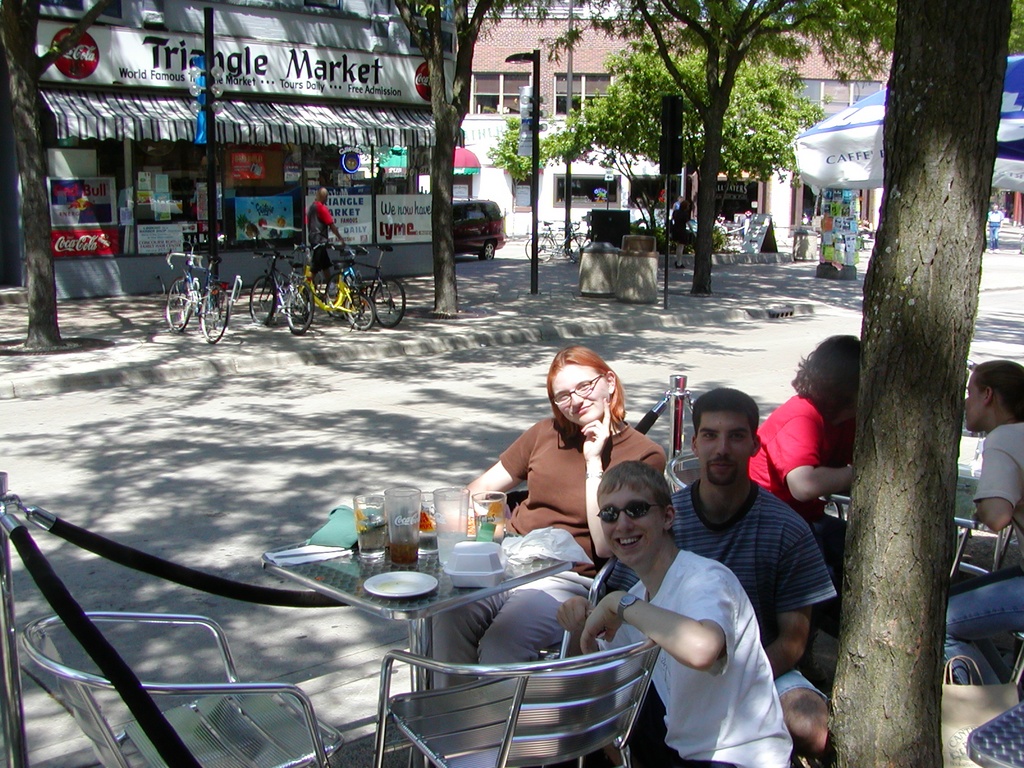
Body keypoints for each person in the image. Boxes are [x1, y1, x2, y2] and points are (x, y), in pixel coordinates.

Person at [606, 388, 836, 758]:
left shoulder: (787, 529)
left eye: (736, 436)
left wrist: (734, 686)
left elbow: (793, 642)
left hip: (758, 668)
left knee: (812, 727)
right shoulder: (658, 517)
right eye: (711, 435)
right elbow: (622, 605)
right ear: (694, 444)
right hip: (671, 665)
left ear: (755, 445)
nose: (722, 448)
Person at [432, 346, 666, 668]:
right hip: (508, 560)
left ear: (609, 382)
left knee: (504, 639)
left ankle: (499, 703)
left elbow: (605, 545)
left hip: (567, 577)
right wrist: (433, 520)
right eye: (563, 396)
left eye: (584, 386)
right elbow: (480, 490)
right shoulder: (545, 433)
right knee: (446, 616)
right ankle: (452, 700)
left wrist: (594, 463)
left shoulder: (643, 454)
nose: (576, 401)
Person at [559, 461, 793, 768]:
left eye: (637, 510)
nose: (623, 524)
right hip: (683, 753)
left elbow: (703, 649)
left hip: (738, 756)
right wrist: (580, 621)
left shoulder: (704, 580)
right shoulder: (639, 598)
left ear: (667, 517)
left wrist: (619, 602)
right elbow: (598, 685)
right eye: (610, 514)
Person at [748, 335, 860, 603]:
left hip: (805, 518)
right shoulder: (802, 415)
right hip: (766, 525)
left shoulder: (847, 419)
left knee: (865, 549)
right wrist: (860, 473)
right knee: (824, 587)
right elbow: (803, 485)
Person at [946, 360, 1024, 683]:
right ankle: (1004, 691)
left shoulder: (1004, 437)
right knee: (958, 608)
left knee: (936, 623)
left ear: (988, 394)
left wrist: (983, 504)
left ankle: (994, 710)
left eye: (970, 392)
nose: (966, 402)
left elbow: (996, 516)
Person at [306, 187, 344, 282]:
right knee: (314, 268)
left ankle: (330, 286)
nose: (327, 199)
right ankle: (306, 287)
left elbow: (307, 223)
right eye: (326, 196)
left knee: (325, 265)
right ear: (323, 196)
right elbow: (332, 226)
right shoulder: (322, 208)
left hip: (313, 239)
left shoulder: (310, 208)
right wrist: (340, 238)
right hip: (320, 241)